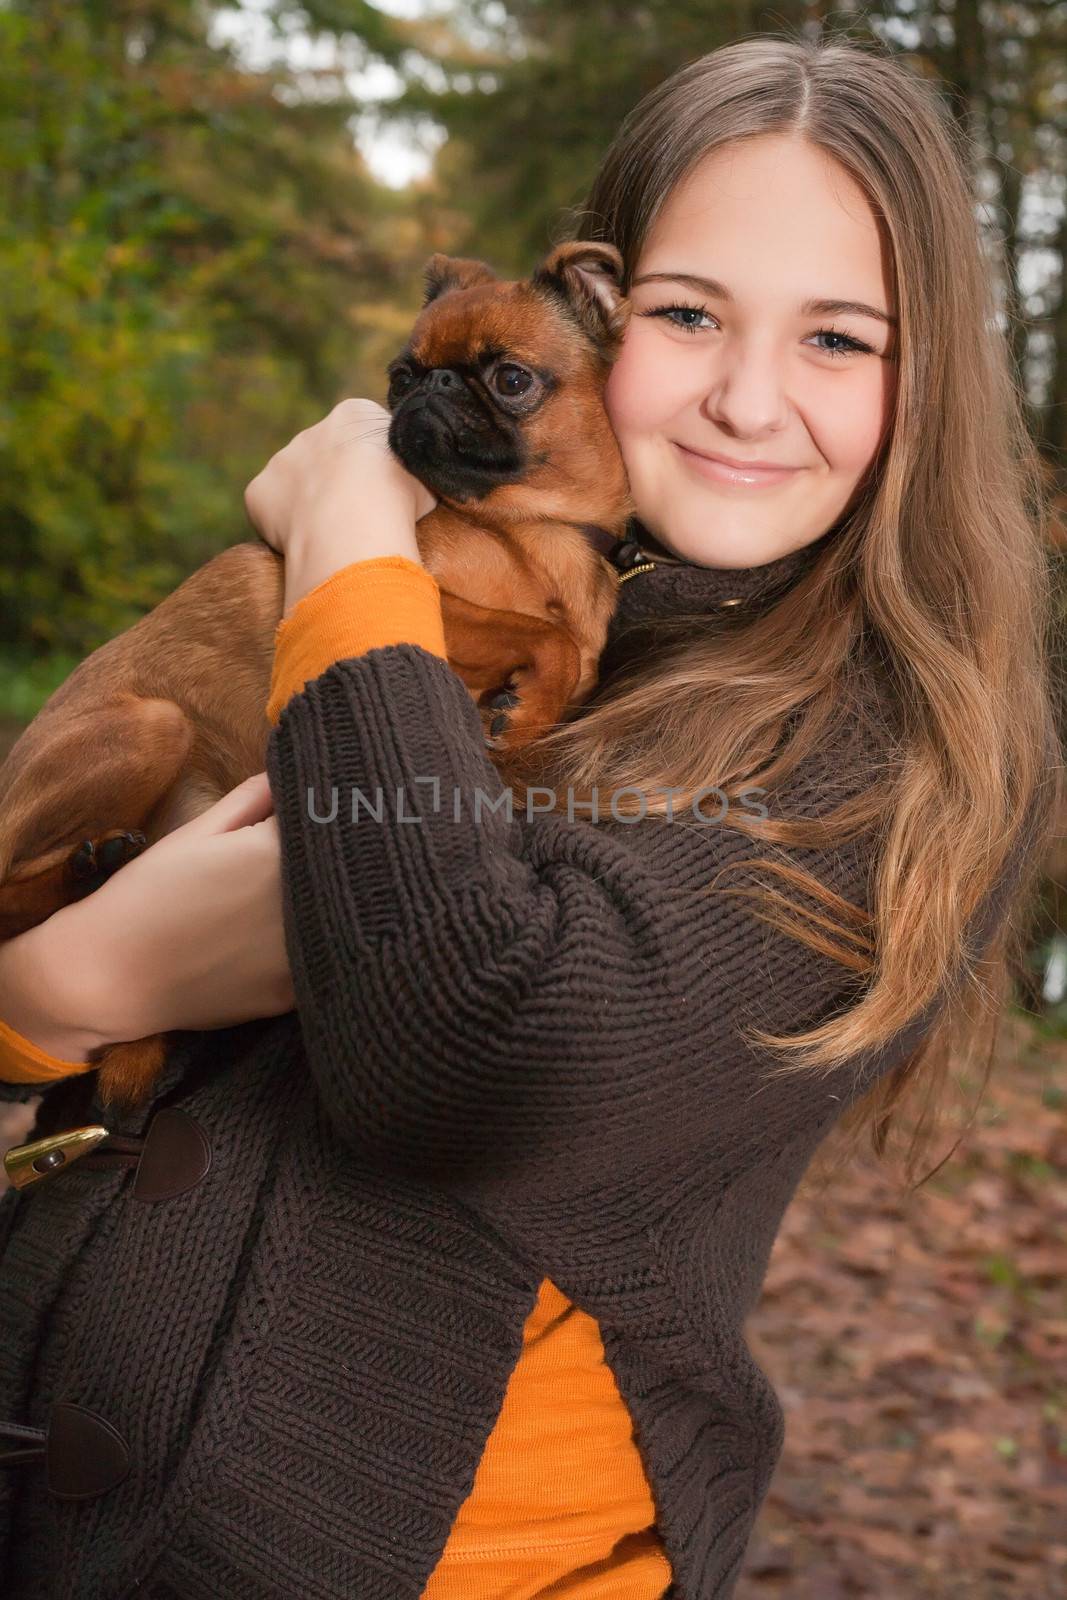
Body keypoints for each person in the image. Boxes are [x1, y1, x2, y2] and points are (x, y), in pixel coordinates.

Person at [0, 31, 1059, 1600]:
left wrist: (352, 515)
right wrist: (44, 993)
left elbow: (474, 1047)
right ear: (611, 312)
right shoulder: (566, 600)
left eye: (841, 340)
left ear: (932, 384)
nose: (747, 396)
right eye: (692, 314)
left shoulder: (899, 746)